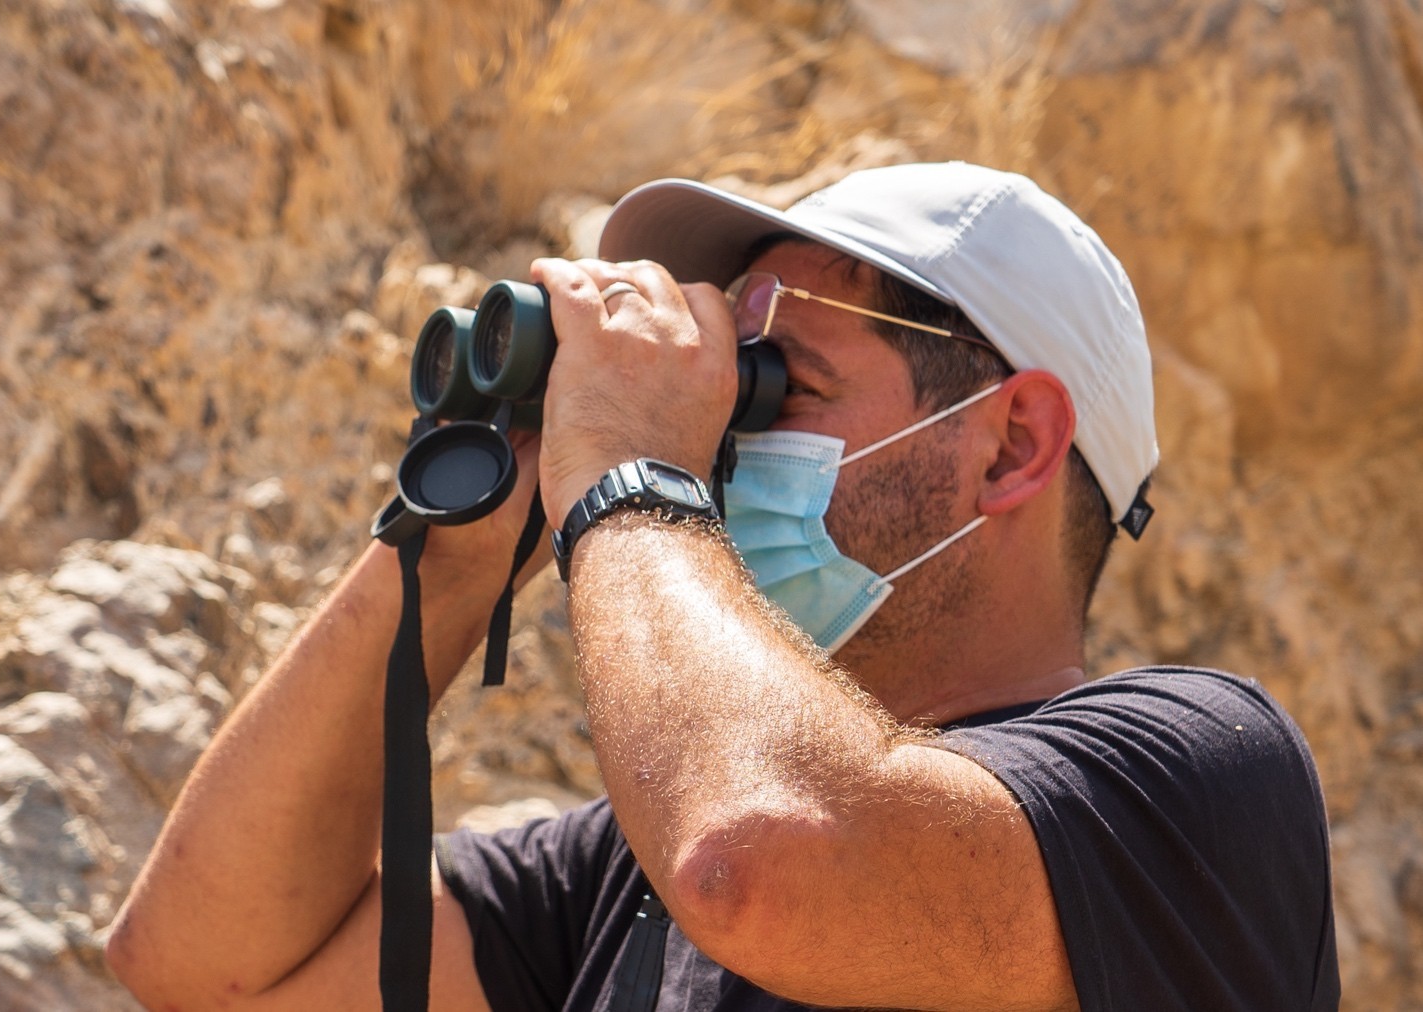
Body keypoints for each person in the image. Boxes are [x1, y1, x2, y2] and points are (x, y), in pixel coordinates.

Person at [104, 162, 1340, 1010]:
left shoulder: (1191, 777)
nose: (722, 443)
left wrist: (633, 463)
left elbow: (758, 860)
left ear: (1009, 443)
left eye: (775, 384)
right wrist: (460, 554)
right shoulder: (615, 881)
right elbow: (208, 965)